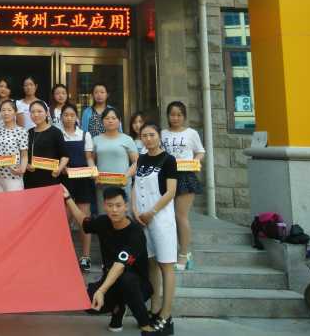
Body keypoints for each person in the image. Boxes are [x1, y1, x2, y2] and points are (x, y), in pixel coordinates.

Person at [61, 185, 163, 335]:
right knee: (87, 302)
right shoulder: (103, 222)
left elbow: (120, 265)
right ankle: (118, 308)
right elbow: (83, 221)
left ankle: (145, 325)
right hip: (111, 280)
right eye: (110, 205)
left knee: (126, 279)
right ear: (104, 206)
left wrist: (101, 291)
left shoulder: (135, 233)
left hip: (138, 286)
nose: (114, 210)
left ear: (126, 206)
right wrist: (68, 198)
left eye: (118, 205)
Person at [133, 122, 178, 335]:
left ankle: (166, 316)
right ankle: (154, 309)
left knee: (166, 265)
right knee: (151, 264)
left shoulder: (168, 160)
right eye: (144, 135)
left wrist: (151, 212)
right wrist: (135, 211)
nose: (148, 139)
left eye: (151, 135)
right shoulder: (141, 159)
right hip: (143, 220)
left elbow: (171, 192)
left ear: (159, 136)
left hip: (161, 219)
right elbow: (135, 185)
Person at [161, 101, 205, 271]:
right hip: (166, 177)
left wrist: (195, 161)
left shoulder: (191, 133)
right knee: (167, 217)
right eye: (172, 114)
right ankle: (171, 252)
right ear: (168, 116)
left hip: (185, 176)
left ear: (184, 116)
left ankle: (184, 254)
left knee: (181, 216)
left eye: (179, 115)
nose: (175, 118)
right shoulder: (162, 133)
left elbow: (200, 151)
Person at [60, 103, 95, 271]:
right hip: (64, 180)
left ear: (76, 117)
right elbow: (56, 158)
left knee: (84, 219)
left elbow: (89, 158)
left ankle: (86, 256)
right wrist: (62, 168)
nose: (69, 118)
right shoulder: (57, 134)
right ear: (61, 117)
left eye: (72, 115)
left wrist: (93, 170)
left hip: (83, 179)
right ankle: (64, 256)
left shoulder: (85, 135)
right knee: (64, 220)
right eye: (66, 115)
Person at [92, 108, 139, 210]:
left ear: (119, 121)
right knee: (104, 214)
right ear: (102, 121)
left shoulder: (127, 139)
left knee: (123, 214)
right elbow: (91, 161)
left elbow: (137, 162)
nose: (110, 121)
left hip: (122, 185)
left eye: (114, 118)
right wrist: (95, 176)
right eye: (107, 118)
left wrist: (126, 176)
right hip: (102, 186)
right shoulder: (95, 140)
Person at [24, 100, 68, 189]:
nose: (36, 114)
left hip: (51, 178)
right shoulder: (29, 132)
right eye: (33, 112)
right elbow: (24, 155)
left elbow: (65, 156)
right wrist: (26, 165)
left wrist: (59, 169)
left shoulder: (56, 132)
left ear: (47, 113)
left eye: (39, 111)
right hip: (31, 179)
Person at [0, 99, 28, 192]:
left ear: (15, 112)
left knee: (14, 201)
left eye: (9, 110)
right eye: (3, 110)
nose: (6, 113)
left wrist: (22, 169)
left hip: (14, 176)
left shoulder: (21, 131)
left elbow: (24, 155)